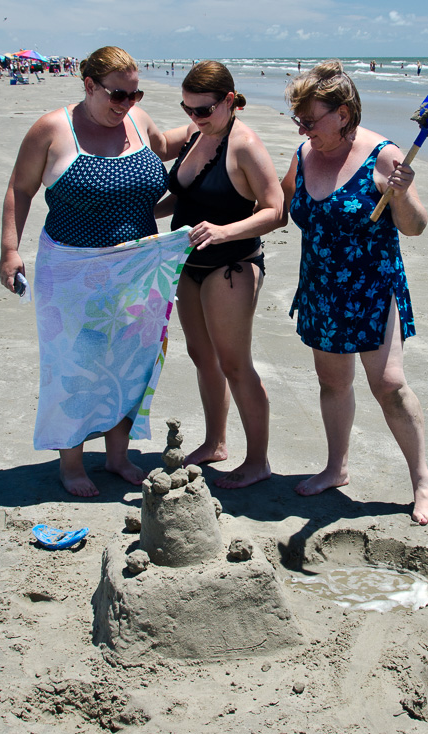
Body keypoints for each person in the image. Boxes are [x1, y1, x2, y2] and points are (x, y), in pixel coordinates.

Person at [0, 45, 169, 497]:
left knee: (132, 363)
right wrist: (9, 250)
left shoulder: (138, 120)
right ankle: (71, 462)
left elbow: (175, 150)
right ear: (89, 85)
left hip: (140, 268)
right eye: (117, 95)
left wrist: (218, 125)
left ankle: (117, 456)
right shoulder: (53, 129)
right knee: (73, 364)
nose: (126, 104)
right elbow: (20, 188)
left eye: (134, 94)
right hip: (73, 270)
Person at [280, 60, 428, 526]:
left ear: (344, 113)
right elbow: (288, 204)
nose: (304, 128)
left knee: (388, 385)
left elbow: (415, 228)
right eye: (299, 120)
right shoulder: (304, 154)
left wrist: (404, 194)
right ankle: (336, 468)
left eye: (310, 120)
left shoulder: (386, 157)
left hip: (373, 288)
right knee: (332, 383)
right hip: (321, 287)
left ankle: (422, 480)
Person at [153, 61, 284, 489]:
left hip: (232, 265)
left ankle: (258, 460)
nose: (194, 117)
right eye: (187, 109)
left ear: (229, 100)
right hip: (187, 263)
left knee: (234, 363)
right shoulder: (195, 135)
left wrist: (225, 230)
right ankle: (215, 442)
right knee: (200, 355)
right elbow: (161, 160)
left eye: (203, 110)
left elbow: (275, 210)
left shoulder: (244, 145)